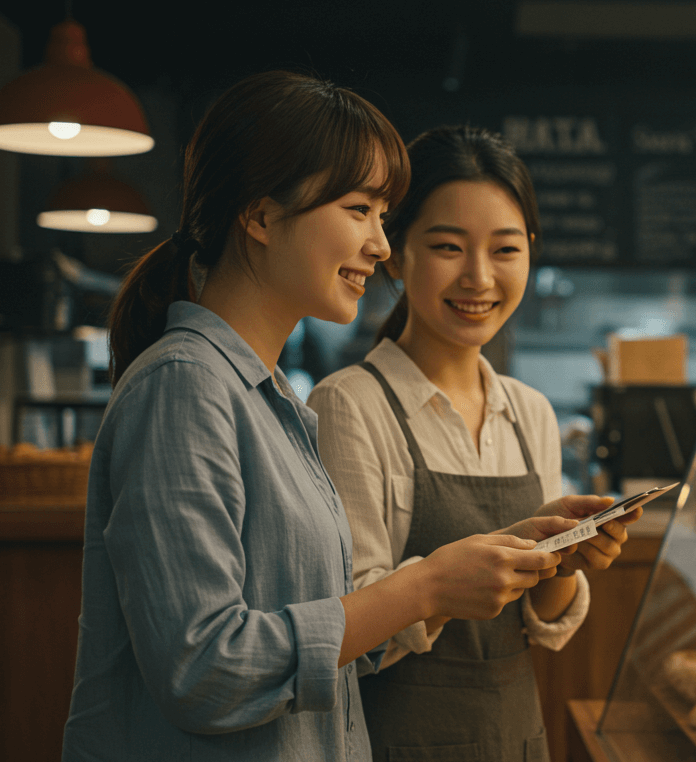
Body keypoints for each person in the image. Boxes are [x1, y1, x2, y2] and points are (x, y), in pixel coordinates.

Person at [61, 74, 598, 762]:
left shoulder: (270, 398)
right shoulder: (183, 388)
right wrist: (426, 583)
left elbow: (327, 640)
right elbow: (203, 671)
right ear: (258, 217)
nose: (380, 245)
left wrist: (490, 563)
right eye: (360, 209)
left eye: (383, 215)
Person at [308, 126, 641, 761]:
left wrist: (562, 564)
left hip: (516, 739)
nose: (479, 277)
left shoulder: (530, 412)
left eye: (506, 249)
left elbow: (542, 628)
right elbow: (346, 630)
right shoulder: (348, 404)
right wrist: (440, 585)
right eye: (448, 247)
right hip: (396, 742)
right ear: (397, 253)